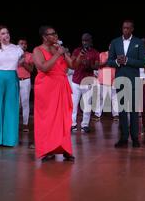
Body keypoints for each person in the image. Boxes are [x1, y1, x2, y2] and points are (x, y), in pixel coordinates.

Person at [32, 26, 77, 161]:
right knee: (48, 120)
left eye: (56, 33)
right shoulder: (37, 50)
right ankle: (48, 150)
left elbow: (72, 66)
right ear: (44, 37)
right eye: (52, 34)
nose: (56, 36)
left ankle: (65, 149)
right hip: (46, 89)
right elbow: (43, 67)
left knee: (64, 119)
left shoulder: (59, 49)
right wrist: (58, 54)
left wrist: (76, 56)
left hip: (61, 86)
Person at [107, 20, 145, 148]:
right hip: (120, 79)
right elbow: (109, 61)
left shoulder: (138, 42)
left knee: (134, 110)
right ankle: (124, 138)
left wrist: (128, 60)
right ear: (122, 28)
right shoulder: (115, 42)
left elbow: (143, 62)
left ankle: (135, 137)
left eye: (128, 28)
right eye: (124, 28)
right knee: (123, 110)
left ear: (132, 29)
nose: (126, 30)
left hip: (133, 79)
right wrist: (118, 62)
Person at [71, 33, 99, 133]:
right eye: (83, 40)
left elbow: (97, 66)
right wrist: (79, 59)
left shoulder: (95, 52)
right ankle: (73, 124)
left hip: (87, 82)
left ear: (90, 41)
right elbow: (72, 63)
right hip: (76, 81)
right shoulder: (77, 51)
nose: (84, 42)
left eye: (86, 40)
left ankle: (85, 125)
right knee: (74, 105)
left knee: (87, 105)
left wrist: (89, 64)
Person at [93, 45, 119, 121]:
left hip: (114, 76)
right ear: (109, 46)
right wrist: (106, 62)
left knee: (114, 97)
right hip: (104, 77)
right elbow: (97, 65)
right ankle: (97, 114)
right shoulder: (102, 54)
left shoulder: (118, 56)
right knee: (101, 97)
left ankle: (116, 114)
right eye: (111, 46)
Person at [16, 38, 34, 133]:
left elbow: (31, 69)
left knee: (25, 103)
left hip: (25, 80)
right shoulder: (13, 55)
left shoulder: (30, 55)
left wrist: (23, 63)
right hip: (15, 81)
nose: (24, 45)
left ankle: (25, 124)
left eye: (25, 43)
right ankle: (14, 123)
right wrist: (18, 61)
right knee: (16, 103)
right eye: (21, 43)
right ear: (17, 45)